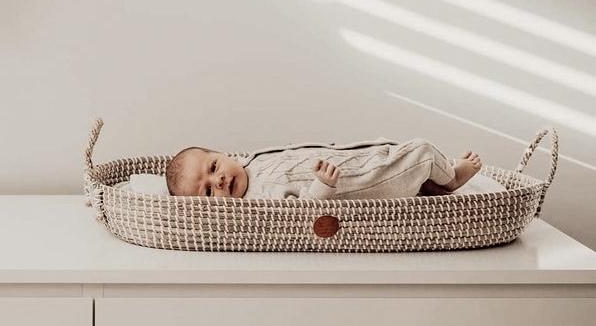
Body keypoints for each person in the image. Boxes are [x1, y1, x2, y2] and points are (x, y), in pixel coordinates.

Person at [165, 138, 482, 200]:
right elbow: (302, 210)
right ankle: (451, 178)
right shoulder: (260, 197)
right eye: (208, 191)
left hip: (357, 159)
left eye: (214, 166)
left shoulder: (251, 161)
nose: (218, 180)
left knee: (392, 149)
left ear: (223, 153)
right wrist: (323, 186)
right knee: (422, 152)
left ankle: (429, 184)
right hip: (362, 181)